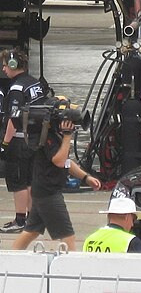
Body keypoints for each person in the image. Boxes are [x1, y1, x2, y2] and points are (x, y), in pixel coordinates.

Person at [12, 119, 102, 251]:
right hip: (48, 193)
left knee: (32, 231)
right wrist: (67, 136)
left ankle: (10, 260)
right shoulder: (49, 136)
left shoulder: (54, 135)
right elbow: (59, 161)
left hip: (43, 190)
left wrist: (85, 177)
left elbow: (66, 161)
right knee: (67, 236)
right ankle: (69, 269)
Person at [0, 49, 47, 233]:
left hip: (19, 141)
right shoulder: (35, 83)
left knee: (17, 181)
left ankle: (20, 220)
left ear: (12, 65)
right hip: (34, 140)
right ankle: (32, 218)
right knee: (29, 180)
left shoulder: (17, 88)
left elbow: (14, 118)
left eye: (5, 65)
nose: (3, 69)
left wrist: (4, 144)